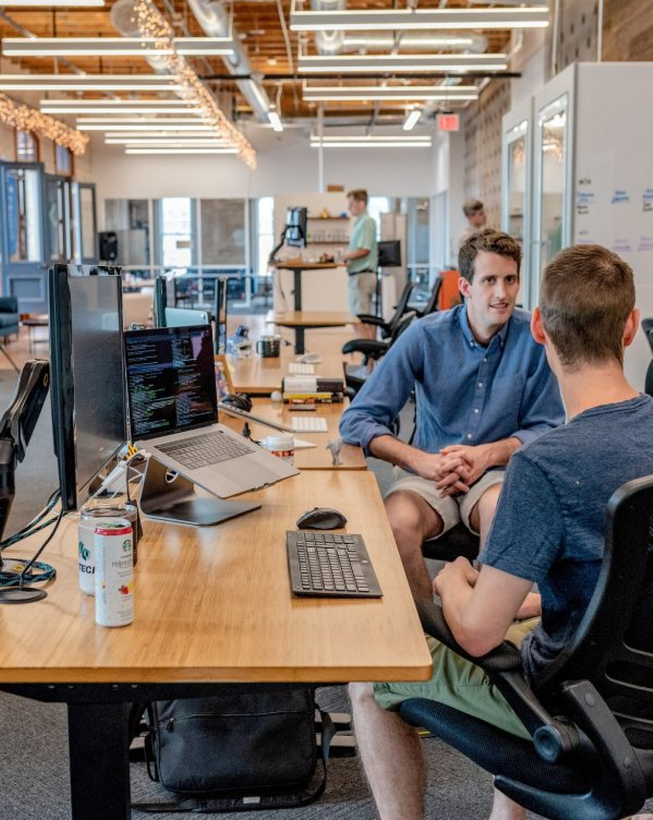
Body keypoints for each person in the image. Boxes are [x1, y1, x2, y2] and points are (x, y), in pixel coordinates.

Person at [349, 243, 653, 820]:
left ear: (539, 327)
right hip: (638, 696)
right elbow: (619, 577)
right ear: (631, 329)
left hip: (572, 711)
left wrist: (455, 582)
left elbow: (478, 635)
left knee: (369, 680)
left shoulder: (545, 466)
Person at [340, 228, 564, 599]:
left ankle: (480, 629)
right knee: (396, 523)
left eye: (510, 280)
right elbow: (357, 419)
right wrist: (420, 461)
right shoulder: (424, 336)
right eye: (489, 280)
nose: (502, 293)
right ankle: (429, 630)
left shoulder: (535, 339)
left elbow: (548, 427)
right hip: (429, 473)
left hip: (496, 474)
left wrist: (487, 454)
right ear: (465, 286)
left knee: (504, 517)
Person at [342, 189, 378, 340]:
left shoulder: (367, 222)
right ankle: (369, 360)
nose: (349, 208)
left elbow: (365, 250)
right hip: (359, 276)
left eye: (351, 204)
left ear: (361, 203)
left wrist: (344, 256)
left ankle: (368, 359)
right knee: (362, 319)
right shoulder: (360, 223)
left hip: (362, 277)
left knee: (361, 320)